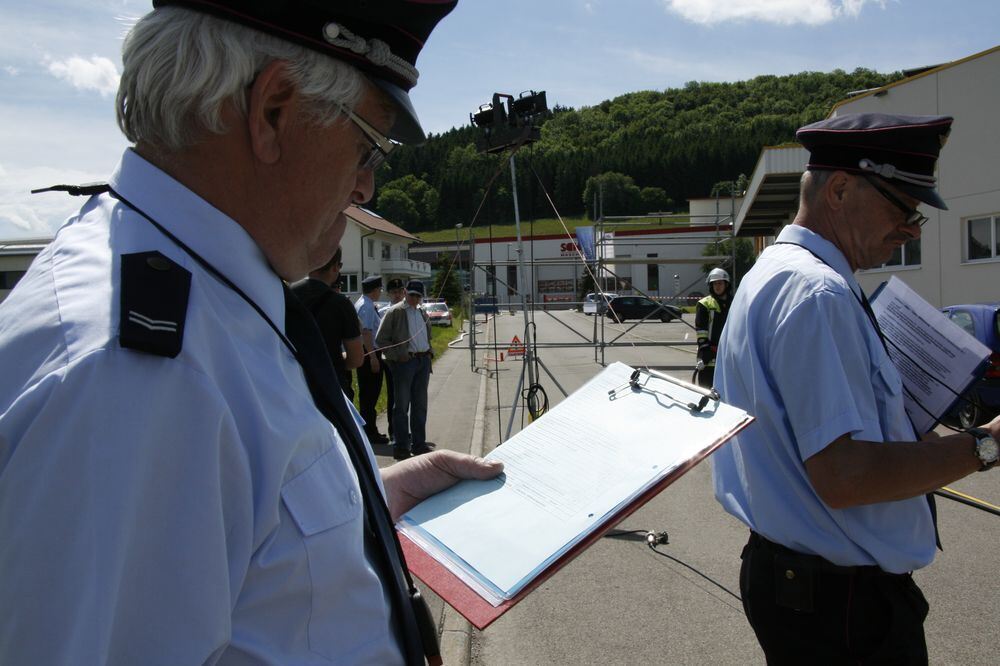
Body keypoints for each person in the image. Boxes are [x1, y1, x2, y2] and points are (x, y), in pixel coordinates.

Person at [0, 2, 504, 664]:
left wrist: (368, 507)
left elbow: (230, 535)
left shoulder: (205, 294)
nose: (366, 185)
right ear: (273, 111)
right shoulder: (134, 379)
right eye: (367, 146)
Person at [712, 113, 1000, 664]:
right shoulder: (817, 292)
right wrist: (987, 445)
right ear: (840, 190)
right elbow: (845, 477)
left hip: (805, 588)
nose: (912, 228)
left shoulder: (773, 271)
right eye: (902, 206)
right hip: (841, 609)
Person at [292, 246, 363, 400]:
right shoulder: (341, 304)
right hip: (330, 387)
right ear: (336, 266)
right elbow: (356, 359)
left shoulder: (287, 294)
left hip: (293, 385)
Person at [377, 280, 434, 460]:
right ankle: (401, 446)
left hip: (422, 361)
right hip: (405, 363)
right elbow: (381, 339)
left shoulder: (422, 312)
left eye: (418, 296)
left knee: (420, 405)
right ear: (405, 292)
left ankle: (419, 444)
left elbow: (428, 335)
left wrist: (429, 352)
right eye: (412, 295)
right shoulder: (395, 312)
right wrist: (398, 355)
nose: (415, 299)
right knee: (401, 406)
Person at [356, 274, 388, 443]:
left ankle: (370, 430)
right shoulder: (367, 307)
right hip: (370, 353)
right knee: (370, 394)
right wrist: (373, 357)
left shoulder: (363, 304)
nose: (380, 292)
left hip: (367, 353)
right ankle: (370, 432)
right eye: (379, 289)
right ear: (375, 290)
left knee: (368, 394)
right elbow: (366, 332)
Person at [693, 266, 731, 388]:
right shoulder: (705, 304)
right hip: (709, 358)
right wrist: (705, 350)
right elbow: (701, 331)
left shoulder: (735, 302)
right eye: (714, 284)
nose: (717, 286)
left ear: (726, 284)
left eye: (720, 283)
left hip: (728, 357)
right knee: (706, 392)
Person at [382, 277, 406, 443]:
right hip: (392, 360)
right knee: (394, 397)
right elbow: (382, 338)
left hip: (409, 359)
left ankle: (404, 431)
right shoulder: (385, 312)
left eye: (399, 291)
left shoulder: (410, 310)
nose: (397, 295)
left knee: (406, 398)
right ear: (389, 294)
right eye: (394, 292)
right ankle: (394, 432)